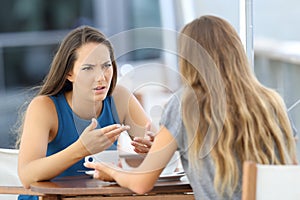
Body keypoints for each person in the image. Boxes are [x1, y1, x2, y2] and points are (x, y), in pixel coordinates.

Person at [84, 15, 298, 200]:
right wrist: (166, 146)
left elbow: (142, 183)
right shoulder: (271, 102)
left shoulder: (186, 104)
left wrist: (111, 172)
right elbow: (289, 174)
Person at [17, 26, 154, 200]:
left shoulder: (120, 98)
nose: (101, 77)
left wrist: (153, 151)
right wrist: (81, 149)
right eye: (88, 68)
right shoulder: (44, 107)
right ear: (69, 73)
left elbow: (160, 153)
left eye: (106, 66)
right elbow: (26, 176)